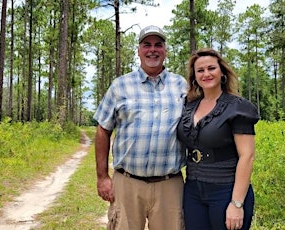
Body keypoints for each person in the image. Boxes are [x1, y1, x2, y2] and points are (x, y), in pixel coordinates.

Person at [93, 25, 188, 230]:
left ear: (165, 50)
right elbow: (103, 129)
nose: (152, 50)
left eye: (158, 45)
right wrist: (102, 177)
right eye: (147, 45)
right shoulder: (120, 86)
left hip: (169, 185)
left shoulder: (181, 86)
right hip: (127, 182)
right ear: (138, 50)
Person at [177, 48, 259, 230]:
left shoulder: (237, 108)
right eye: (200, 70)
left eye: (211, 68)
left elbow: (247, 156)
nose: (206, 74)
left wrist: (236, 204)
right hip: (193, 190)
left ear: (222, 72)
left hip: (226, 190)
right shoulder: (189, 106)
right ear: (194, 76)